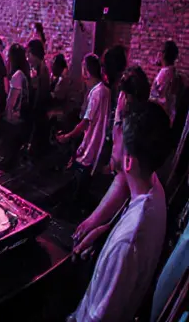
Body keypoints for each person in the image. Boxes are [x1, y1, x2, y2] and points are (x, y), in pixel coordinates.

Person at [70, 103, 172, 322]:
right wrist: (107, 231)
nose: (111, 141)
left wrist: (114, 240)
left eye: (116, 140)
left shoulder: (127, 244)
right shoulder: (154, 188)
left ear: (129, 161)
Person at [57, 54, 110, 203]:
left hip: (91, 143)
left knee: (78, 180)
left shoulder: (96, 93)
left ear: (86, 71)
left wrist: (67, 136)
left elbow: (86, 122)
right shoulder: (105, 90)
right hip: (98, 142)